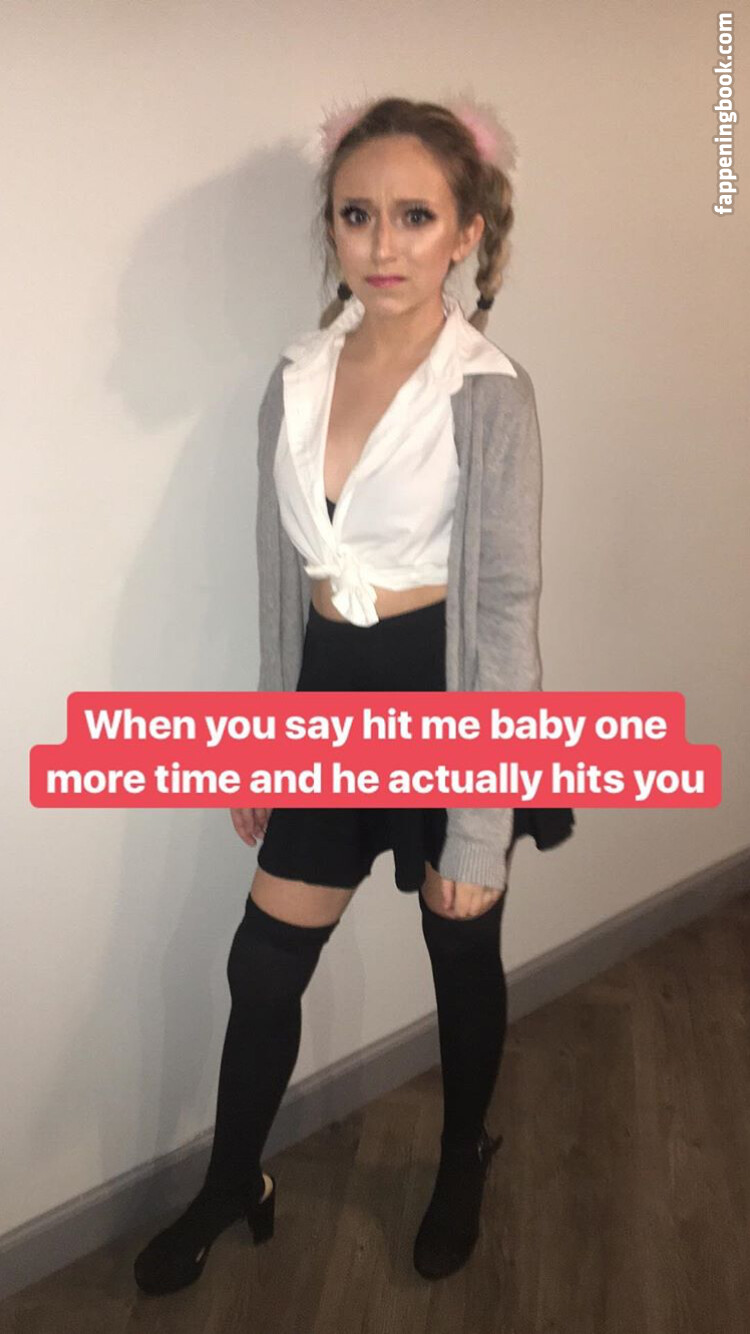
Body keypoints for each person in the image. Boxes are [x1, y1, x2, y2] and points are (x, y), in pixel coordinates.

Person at [134, 93, 575, 1297]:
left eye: (415, 216)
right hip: (330, 695)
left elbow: (504, 611)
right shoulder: (293, 381)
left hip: (447, 696)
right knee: (263, 965)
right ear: (331, 227)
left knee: (458, 945)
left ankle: (463, 1152)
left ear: (467, 230)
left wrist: (478, 819)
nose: (383, 243)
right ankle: (235, 1177)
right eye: (357, 214)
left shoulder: (490, 392)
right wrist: (268, 738)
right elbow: (280, 577)